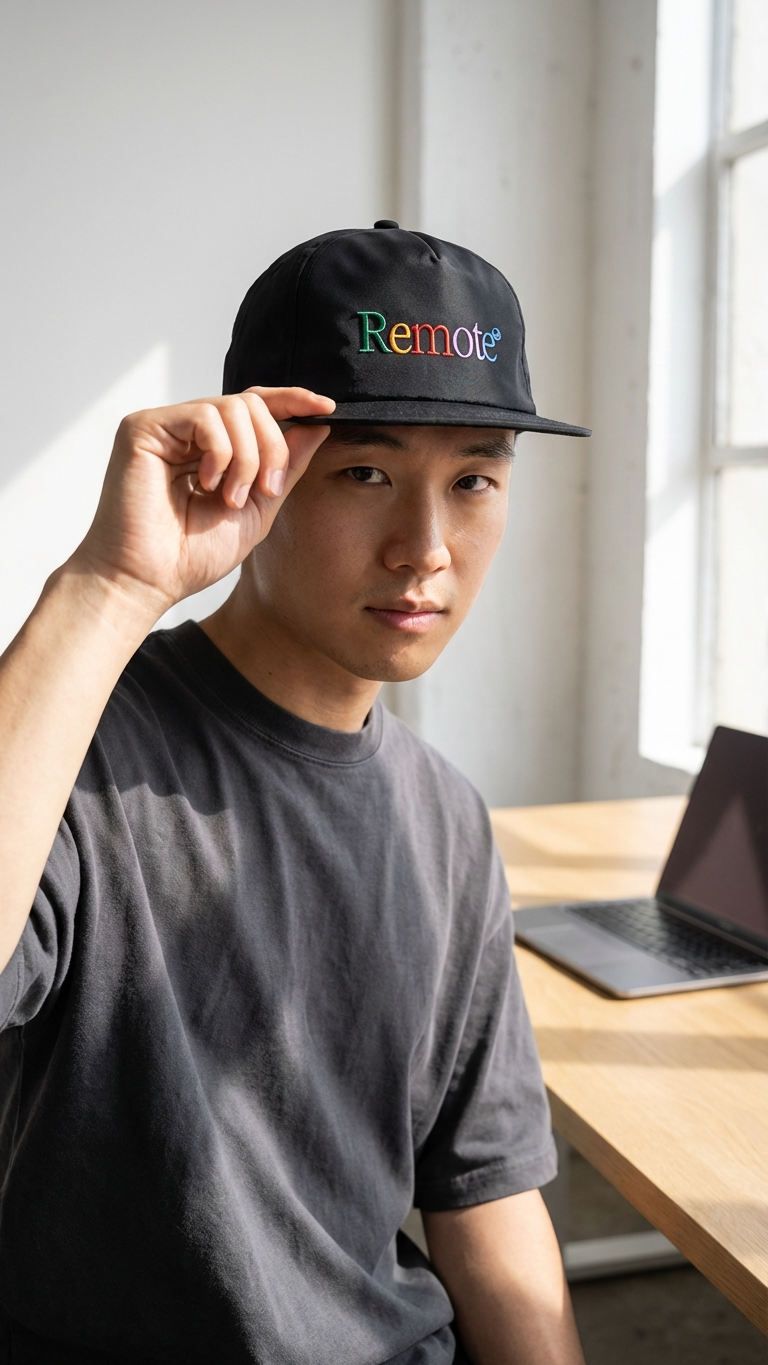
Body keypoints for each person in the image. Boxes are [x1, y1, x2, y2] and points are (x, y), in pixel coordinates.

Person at [0, 223, 590, 1364]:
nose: (425, 548)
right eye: (365, 472)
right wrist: (112, 583)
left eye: (472, 479)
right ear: (252, 470)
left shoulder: (448, 819)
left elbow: (486, 1199)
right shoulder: (74, 741)